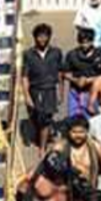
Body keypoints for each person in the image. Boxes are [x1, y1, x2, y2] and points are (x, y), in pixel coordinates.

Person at [23, 23, 64, 151]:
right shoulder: (28, 54)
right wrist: (27, 95)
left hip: (50, 90)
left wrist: (60, 92)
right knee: (36, 118)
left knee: (46, 118)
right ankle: (39, 136)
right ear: (35, 38)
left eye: (45, 36)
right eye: (39, 36)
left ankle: (42, 146)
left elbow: (60, 74)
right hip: (35, 90)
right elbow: (24, 76)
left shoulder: (56, 53)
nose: (42, 39)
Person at [63, 28, 101, 118]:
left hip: (92, 92)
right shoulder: (72, 54)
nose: (85, 45)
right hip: (75, 91)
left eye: (87, 42)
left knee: (91, 117)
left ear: (92, 41)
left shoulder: (100, 54)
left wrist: (89, 80)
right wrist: (76, 80)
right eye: (82, 42)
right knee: (73, 117)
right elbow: (65, 73)